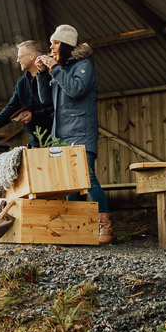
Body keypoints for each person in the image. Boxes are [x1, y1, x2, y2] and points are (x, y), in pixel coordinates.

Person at [37, 24, 115, 245]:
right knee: (70, 183)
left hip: (81, 132)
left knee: (88, 179)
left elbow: (76, 90)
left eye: (55, 43)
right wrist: (44, 75)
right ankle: (76, 230)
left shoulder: (84, 65)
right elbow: (45, 100)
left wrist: (55, 70)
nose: (50, 47)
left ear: (65, 44)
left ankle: (105, 228)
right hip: (61, 133)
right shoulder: (60, 68)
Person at [0, 41, 55, 147]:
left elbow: (57, 108)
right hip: (34, 140)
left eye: (20, 56)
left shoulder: (53, 77)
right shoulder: (22, 82)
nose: (18, 60)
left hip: (55, 138)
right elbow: (12, 107)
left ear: (32, 56)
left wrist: (34, 116)